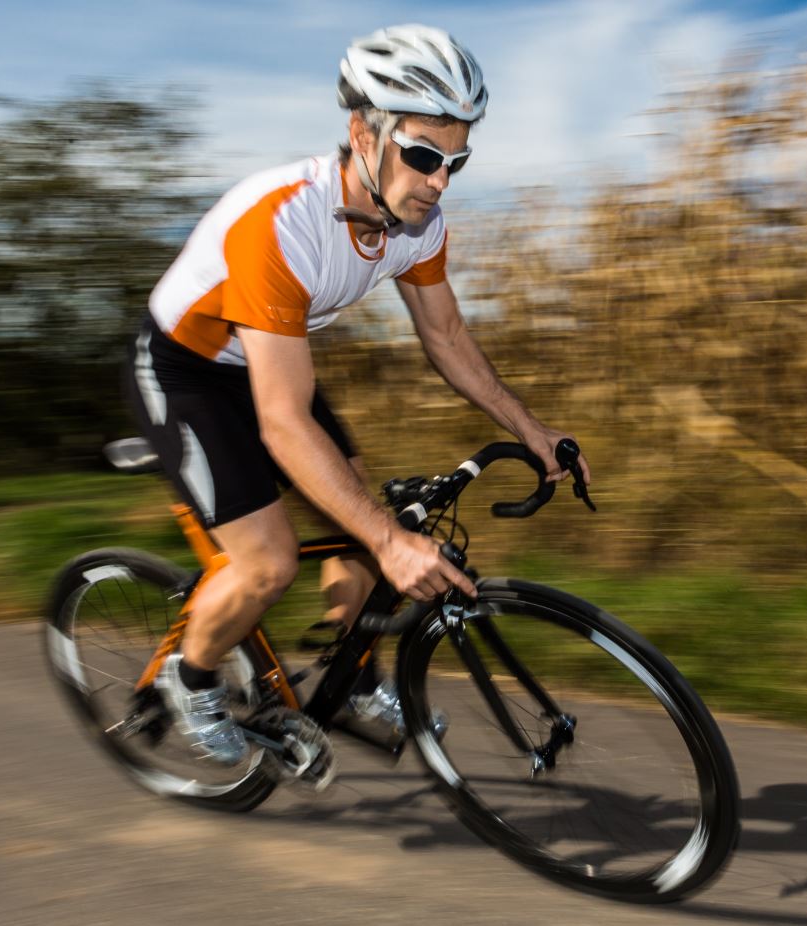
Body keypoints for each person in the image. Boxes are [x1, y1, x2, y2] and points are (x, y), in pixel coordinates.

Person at [125, 24, 591, 764]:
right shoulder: (280, 222)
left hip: (262, 365)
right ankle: (191, 678)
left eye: (455, 161)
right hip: (187, 369)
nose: (439, 180)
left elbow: (447, 340)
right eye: (422, 155)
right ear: (361, 132)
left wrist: (530, 428)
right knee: (269, 562)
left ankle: (353, 680)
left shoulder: (416, 224)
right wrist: (388, 541)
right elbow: (281, 422)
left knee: (363, 515)